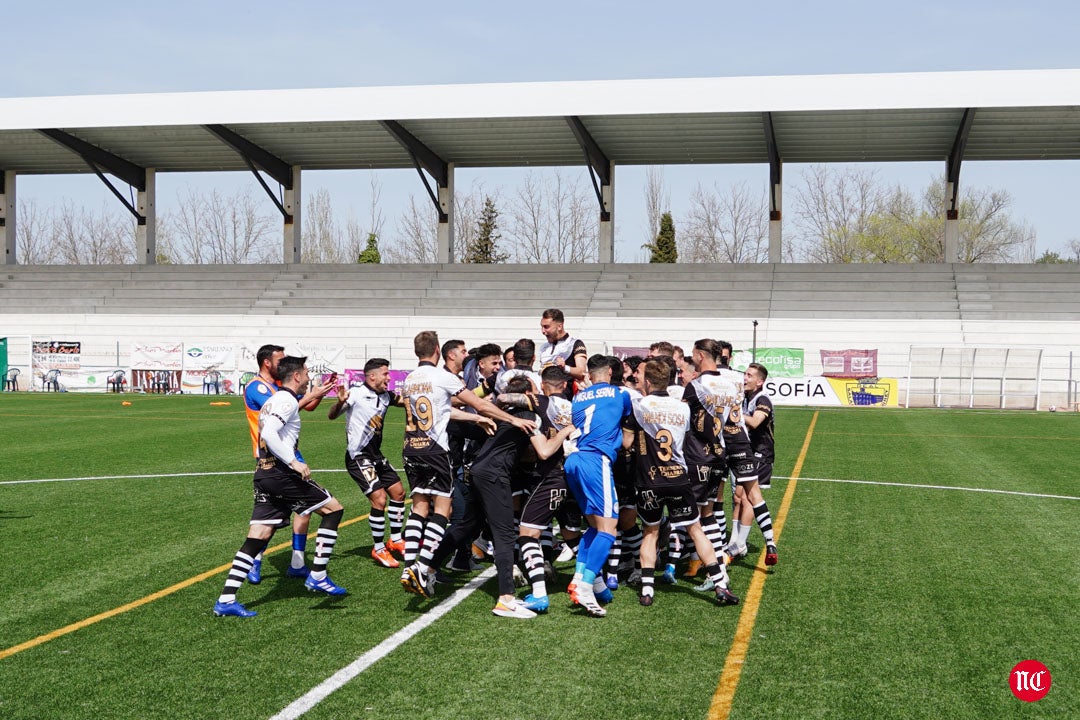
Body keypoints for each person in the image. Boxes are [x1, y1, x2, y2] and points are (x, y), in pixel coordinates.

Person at [403, 375, 573, 618]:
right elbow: (544, 452)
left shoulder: (497, 415)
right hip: (494, 476)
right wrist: (565, 431)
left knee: (469, 525)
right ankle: (506, 599)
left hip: (477, 472)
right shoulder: (529, 416)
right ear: (529, 395)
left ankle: (426, 567)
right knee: (504, 534)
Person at [397, 331, 535, 591]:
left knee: (418, 508)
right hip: (435, 449)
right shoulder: (443, 377)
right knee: (442, 510)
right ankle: (423, 566)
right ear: (438, 350)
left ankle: (409, 566)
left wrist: (474, 419)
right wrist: (512, 419)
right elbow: (479, 404)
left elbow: (444, 408)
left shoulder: (410, 379)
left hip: (410, 448)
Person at [214, 356, 347, 617]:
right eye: (306, 372)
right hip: (281, 473)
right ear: (296, 376)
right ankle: (318, 575)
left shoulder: (277, 400)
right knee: (333, 510)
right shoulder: (284, 400)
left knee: (257, 537)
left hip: (264, 472)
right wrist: (293, 462)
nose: (309, 376)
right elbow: (269, 433)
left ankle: (226, 600)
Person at [621, 359, 738, 607]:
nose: (637, 379)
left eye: (640, 375)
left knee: (650, 533)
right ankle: (720, 584)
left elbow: (627, 444)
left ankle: (647, 590)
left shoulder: (638, 405)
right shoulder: (682, 408)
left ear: (649, 381)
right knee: (695, 530)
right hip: (678, 478)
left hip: (649, 480)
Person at [242, 343, 334, 584]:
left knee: (302, 510)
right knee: (274, 517)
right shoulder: (256, 387)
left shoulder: (278, 388)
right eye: (279, 360)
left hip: (288, 451)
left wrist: (318, 393)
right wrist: (308, 396)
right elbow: (279, 415)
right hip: (271, 456)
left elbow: (306, 406)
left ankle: (297, 562)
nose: (283, 364)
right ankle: (256, 561)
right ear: (267, 363)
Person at [500, 366, 578, 612]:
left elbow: (503, 398)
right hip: (576, 474)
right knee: (573, 535)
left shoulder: (541, 402)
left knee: (526, 533)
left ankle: (539, 594)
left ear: (542, 385)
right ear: (565, 385)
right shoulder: (577, 406)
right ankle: (600, 582)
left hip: (550, 475)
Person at [562, 354, 634, 617]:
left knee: (593, 525)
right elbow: (628, 431)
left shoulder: (578, 397)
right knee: (608, 529)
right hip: (596, 461)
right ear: (611, 372)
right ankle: (584, 584)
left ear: (589, 375)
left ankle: (581, 577)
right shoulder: (621, 394)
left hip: (574, 460)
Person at [327, 358, 408, 568]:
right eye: (385, 374)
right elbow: (331, 416)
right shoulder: (355, 394)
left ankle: (396, 540)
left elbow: (404, 402)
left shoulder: (386, 396)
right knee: (379, 499)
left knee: (398, 492)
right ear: (372, 376)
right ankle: (379, 548)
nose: (389, 378)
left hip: (375, 454)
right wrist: (339, 402)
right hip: (358, 456)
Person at [742, 362, 777, 565]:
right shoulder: (747, 397)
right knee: (742, 497)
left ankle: (743, 543)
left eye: (750, 375)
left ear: (760, 381)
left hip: (760, 455)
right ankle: (740, 542)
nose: (745, 378)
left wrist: (734, 413)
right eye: (745, 374)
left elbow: (755, 422)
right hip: (749, 453)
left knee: (749, 497)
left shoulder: (762, 399)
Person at [538, 308, 587, 397]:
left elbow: (582, 372)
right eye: (541, 326)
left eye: (546, 327)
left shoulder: (574, 344)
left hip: (566, 399)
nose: (543, 331)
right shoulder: (544, 347)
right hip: (545, 398)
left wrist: (565, 368)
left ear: (559, 326)